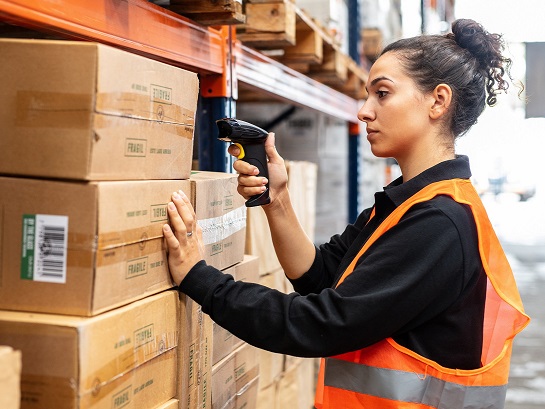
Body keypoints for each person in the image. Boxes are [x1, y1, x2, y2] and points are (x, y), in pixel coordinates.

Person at [162, 19, 530, 408]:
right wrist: (279, 201)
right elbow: (319, 277)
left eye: (382, 94)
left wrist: (198, 278)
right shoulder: (404, 205)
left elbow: (320, 324)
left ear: (438, 101)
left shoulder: (439, 222)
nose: (364, 112)